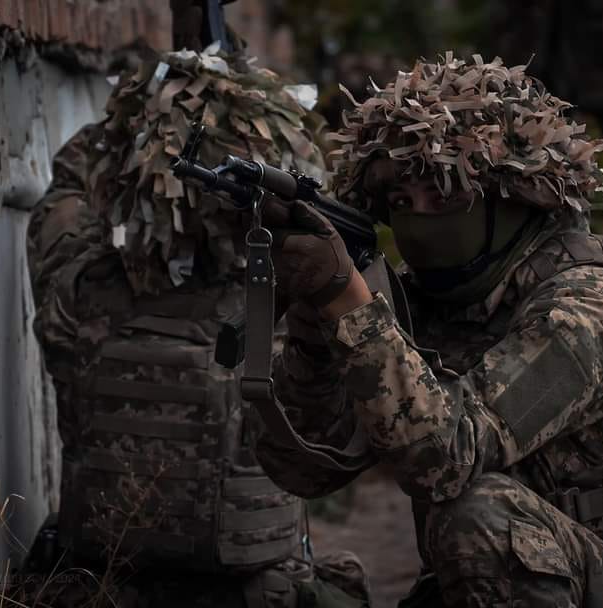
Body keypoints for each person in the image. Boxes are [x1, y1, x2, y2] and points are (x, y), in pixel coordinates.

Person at [254, 53, 603, 607]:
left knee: (479, 517)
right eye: (401, 203)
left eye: (445, 197)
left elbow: (443, 460)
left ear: (513, 198)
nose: (421, 220)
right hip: (530, 580)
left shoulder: (589, 306)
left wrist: (347, 302)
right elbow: (301, 470)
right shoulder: (431, 298)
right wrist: (314, 324)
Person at [21, 31, 370, 608]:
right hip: (256, 594)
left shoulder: (81, 291)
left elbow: (68, 190)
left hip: (109, 589)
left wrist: (150, 107)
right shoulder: (290, 307)